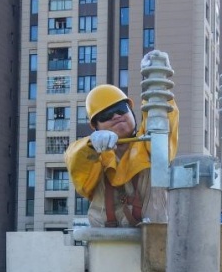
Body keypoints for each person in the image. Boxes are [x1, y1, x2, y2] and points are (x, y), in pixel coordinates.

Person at [64, 50, 179, 227]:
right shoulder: (95, 158)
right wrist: (91, 145)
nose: (116, 116)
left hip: (155, 241)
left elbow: (165, 121)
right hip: (109, 246)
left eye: (121, 109)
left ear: (132, 112)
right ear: (95, 126)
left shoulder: (150, 146)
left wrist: (158, 86)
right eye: (106, 115)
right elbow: (75, 159)